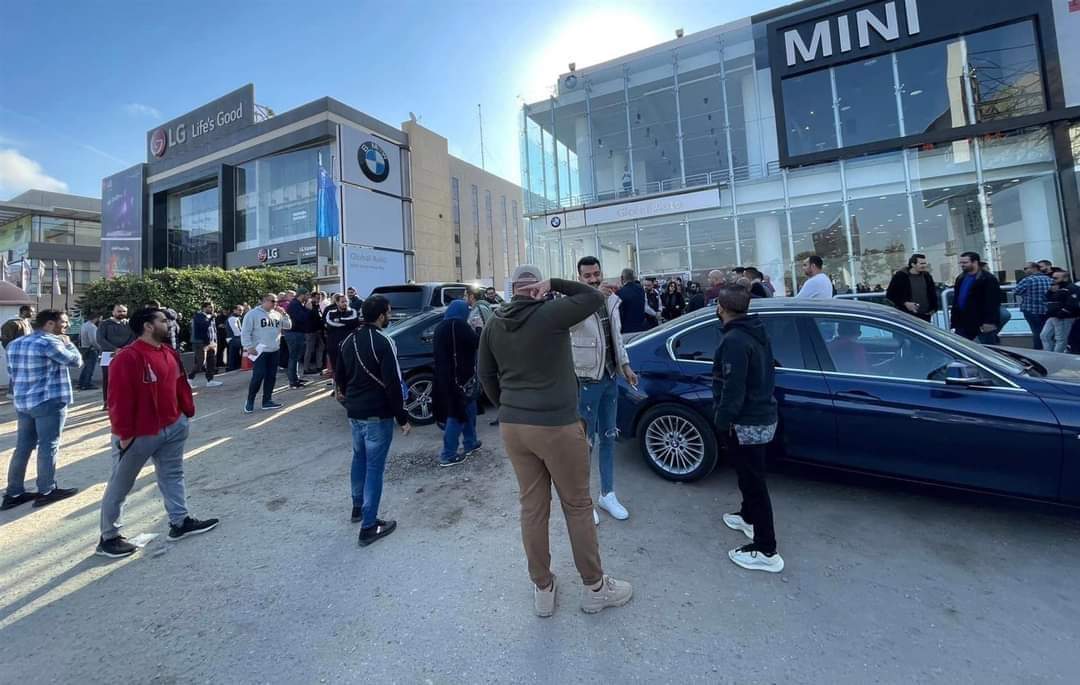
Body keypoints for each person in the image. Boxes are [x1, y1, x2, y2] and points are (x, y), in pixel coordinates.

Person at [478, 264, 632, 618]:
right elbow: (593, 297)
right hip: (557, 425)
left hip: (515, 426)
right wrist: (556, 283)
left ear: (512, 288)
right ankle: (595, 588)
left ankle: (543, 587)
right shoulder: (551, 313)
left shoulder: (494, 323)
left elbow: (485, 374)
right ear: (538, 287)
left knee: (532, 508)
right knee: (577, 506)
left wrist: (508, 405)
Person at [95, 307, 219, 558]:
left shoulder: (169, 352)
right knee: (121, 485)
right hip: (139, 434)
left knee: (173, 475)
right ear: (148, 326)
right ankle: (109, 538)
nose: (169, 324)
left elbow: (179, 384)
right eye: (163, 320)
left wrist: (185, 413)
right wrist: (124, 435)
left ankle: (180, 522)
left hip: (173, 427)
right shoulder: (127, 357)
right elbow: (118, 399)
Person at [712, 286, 785, 573]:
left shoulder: (735, 340)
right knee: (747, 474)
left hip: (747, 421)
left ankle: (767, 549)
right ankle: (748, 517)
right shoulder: (755, 330)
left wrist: (722, 420)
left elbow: (733, 387)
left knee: (755, 482)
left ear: (721, 307)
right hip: (761, 414)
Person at [334, 295, 411, 546]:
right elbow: (393, 382)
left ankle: (357, 507)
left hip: (355, 412)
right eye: (389, 312)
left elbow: (340, 375)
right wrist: (402, 417)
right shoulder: (383, 341)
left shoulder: (349, 339)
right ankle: (369, 525)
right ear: (380, 316)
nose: (390, 316)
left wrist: (348, 399)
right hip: (377, 414)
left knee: (359, 458)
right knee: (374, 468)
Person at [571, 256, 639, 524]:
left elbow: (616, 337)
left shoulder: (611, 300)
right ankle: (583, 499)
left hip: (611, 377)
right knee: (584, 443)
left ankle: (607, 494)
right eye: (587, 276)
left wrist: (625, 365)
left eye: (596, 273)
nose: (594, 279)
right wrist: (593, 297)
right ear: (579, 278)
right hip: (587, 379)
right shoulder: (574, 303)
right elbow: (569, 327)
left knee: (609, 436)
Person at [2, 309, 82, 511]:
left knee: (23, 447)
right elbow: (75, 361)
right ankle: (46, 490)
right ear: (50, 324)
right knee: (48, 445)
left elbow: (12, 372)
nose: (67, 326)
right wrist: (68, 343)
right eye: (64, 322)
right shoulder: (50, 342)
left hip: (24, 402)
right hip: (49, 400)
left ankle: (13, 493)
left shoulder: (15, 344)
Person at [433, 300, 482, 467]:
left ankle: (471, 442)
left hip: (445, 377)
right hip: (460, 378)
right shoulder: (460, 326)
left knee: (469, 408)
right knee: (457, 414)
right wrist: (478, 328)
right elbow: (477, 342)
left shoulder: (440, 327)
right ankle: (448, 454)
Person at [241, 293, 292, 413]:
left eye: (276, 301)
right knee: (258, 376)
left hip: (274, 349)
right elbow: (245, 331)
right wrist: (248, 346)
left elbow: (288, 326)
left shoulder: (277, 314)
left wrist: (284, 314)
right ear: (264, 301)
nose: (275, 304)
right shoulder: (252, 314)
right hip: (259, 350)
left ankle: (267, 400)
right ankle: (250, 400)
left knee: (271, 376)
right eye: (272, 301)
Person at [950, 252, 1002, 343]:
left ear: (975, 262)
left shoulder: (988, 278)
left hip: (981, 320)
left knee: (988, 347)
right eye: (961, 262)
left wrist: (989, 321)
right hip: (963, 320)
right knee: (960, 345)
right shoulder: (961, 278)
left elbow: (992, 302)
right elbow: (957, 299)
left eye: (965, 262)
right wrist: (954, 320)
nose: (962, 265)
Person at [97, 304, 135, 409]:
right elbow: (100, 339)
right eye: (119, 311)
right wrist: (115, 349)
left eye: (124, 311)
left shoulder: (129, 324)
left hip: (125, 354)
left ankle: (124, 401)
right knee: (108, 378)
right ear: (113, 312)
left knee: (126, 378)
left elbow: (133, 338)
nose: (121, 313)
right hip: (108, 355)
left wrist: (124, 349)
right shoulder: (104, 324)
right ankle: (107, 402)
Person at [885, 254, 939, 322]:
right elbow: (890, 295)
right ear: (913, 264)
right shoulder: (900, 276)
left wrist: (934, 308)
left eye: (925, 263)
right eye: (921, 263)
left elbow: (932, 292)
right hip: (907, 316)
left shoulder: (927, 276)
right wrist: (905, 303)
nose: (924, 265)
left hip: (925, 316)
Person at [1013, 262, 1053, 350]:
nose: (1024, 271)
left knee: (1036, 331)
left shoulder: (1027, 280)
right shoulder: (1049, 279)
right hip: (1046, 309)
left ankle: (1038, 350)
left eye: (1026, 268)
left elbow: (1016, 291)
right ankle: (1048, 350)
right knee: (1045, 332)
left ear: (1034, 268)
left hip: (1030, 309)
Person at [1041, 269, 1080, 353]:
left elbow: (1072, 303)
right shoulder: (1056, 288)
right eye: (1052, 278)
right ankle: (1048, 354)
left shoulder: (1071, 288)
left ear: (1065, 278)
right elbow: (1048, 299)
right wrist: (1050, 291)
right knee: (1044, 336)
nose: (1053, 280)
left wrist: (1063, 313)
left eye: (1056, 278)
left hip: (1063, 317)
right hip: (1052, 315)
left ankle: (1057, 356)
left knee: (1060, 339)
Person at [325, 293, 359, 376]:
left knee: (350, 366)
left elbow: (353, 320)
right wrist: (346, 323)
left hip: (349, 344)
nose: (345, 303)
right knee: (336, 367)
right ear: (337, 302)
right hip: (334, 344)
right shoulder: (330, 312)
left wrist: (339, 320)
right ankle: (337, 382)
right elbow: (329, 323)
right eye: (342, 302)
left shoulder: (353, 311)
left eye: (346, 301)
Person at [189, 301, 222, 388]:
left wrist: (214, 341)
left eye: (212, 307)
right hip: (201, 342)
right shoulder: (199, 316)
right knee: (200, 362)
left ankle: (210, 380)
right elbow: (204, 326)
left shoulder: (211, 317)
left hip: (211, 342)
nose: (212, 309)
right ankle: (189, 379)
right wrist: (211, 318)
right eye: (210, 307)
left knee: (211, 361)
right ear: (204, 308)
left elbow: (213, 330)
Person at [617, 268, 648, 334]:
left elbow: (619, 314)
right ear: (634, 278)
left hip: (627, 330)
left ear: (622, 278)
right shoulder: (641, 289)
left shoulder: (620, 293)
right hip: (642, 328)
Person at [76, 314, 101, 390]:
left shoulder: (84, 325)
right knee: (90, 368)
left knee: (86, 367)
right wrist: (99, 348)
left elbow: (79, 337)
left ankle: (80, 383)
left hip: (84, 348)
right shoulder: (92, 327)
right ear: (96, 318)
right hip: (91, 349)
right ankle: (87, 384)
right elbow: (93, 340)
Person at [303, 295, 326, 375]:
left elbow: (319, 317)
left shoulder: (317, 306)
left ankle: (319, 366)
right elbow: (310, 318)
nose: (318, 299)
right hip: (310, 331)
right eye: (317, 297)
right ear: (312, 298)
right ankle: (306, 368)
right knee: (309, 350)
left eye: (319, 298)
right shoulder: (309, 306)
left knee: (321, 347)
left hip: (318, 330)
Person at [225, 305, 244, 372]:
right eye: (240, 310)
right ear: (234, 310)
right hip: (233, 338)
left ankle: (233, 366)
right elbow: (236, 331)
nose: (241, 312)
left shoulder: (236, 318)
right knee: (246, 345)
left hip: (234, 338)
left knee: (233, 353)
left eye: (242, 310)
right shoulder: (232, 318)